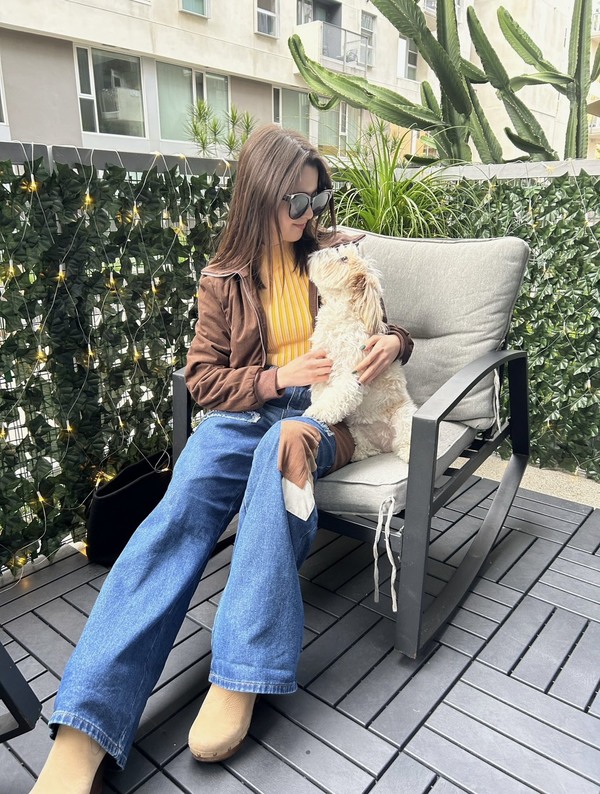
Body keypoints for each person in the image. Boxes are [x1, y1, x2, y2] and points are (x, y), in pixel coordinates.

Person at [31, 124, 413, 794]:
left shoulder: (334, 253)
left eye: (317, 200)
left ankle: (241, 672)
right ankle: (85, 723)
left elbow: (382, 320)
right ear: (260, 197)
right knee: (177, 512)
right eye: (296, 201)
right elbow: (203, 380)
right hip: (245, 410)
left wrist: (397, 344)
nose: (308, 214)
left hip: (323, 414)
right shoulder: (222, 279)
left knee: (278, 453)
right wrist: (273, 377)